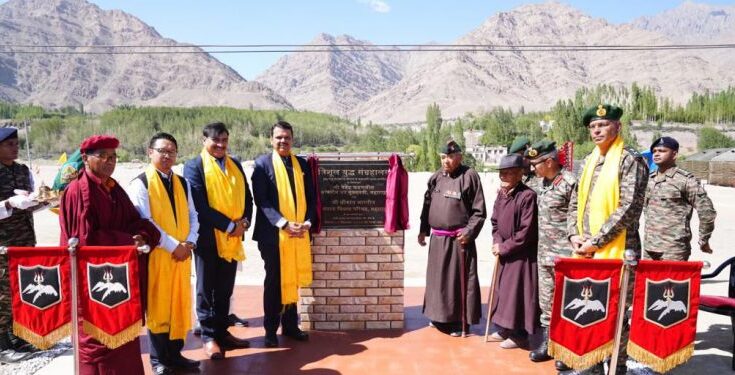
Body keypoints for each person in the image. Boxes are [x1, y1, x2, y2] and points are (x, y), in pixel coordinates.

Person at [59, 135, 161, 375]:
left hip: (119, 280)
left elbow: (133, 220)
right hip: (93, 286)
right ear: (85, 158)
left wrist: (144, 235)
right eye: (103, 156)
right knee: (98, 343)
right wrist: (127, 240)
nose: (110, 161)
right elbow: (83, 241)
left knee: (123, 340)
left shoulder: (112, 188)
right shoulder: (78, 192)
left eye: (113, 156)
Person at [567, 104, 648, 374]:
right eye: (592, 127)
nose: (596, 130)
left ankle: (617, 365)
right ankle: (590, 363)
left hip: (618, 249)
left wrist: (597, 241)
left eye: (602, 125)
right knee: (589, 307)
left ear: (618, 127)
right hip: (586, 250)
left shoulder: (628, 159)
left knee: (617, 312)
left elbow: (629, 207)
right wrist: (574, 234)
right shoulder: (589, 160)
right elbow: (575, 202)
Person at [126, 133, 200, 374]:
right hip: (158, 254)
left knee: (179, 303)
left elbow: (192, 215)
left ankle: (175, 354)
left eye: (171, 151)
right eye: (162, 151)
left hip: (182, 254)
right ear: (150, 152)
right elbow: (145, 222)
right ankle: (158, 360)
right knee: (159, 305)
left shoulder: (182, 183)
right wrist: (173, 246)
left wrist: (189, 242)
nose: (167, 155)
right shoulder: (141, 183)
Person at [184, 122, 252, 359]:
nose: (221, 145)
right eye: (216, 141)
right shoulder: (194, 166)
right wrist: (230, 225)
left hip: (232, 239)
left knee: (224, 288)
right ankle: (209, 336)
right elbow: (200, 207)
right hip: (207, 240)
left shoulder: (236, 165)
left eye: (224, 140)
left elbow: (248, 198)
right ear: (204, 141)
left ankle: (222, 332)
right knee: (206, 289)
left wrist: (244, 223)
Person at [252, 121, 316, 348]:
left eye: (287, 137)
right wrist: (284, 223)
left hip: (299, 233)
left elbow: (310, 195)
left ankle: (290, 326)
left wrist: (308, 221)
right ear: (271, 139)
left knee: (293, 278)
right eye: (278, 137)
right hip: (273, 236)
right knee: (275, 282)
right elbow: (262, 201)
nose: (283, 141)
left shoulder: (301, 164)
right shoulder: (262, 165)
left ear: (292, 139)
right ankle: (270, 329)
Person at [418, 140, 486, 337]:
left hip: (458, 241)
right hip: (438, 241)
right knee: (437, 282)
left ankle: (457, 322)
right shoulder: (435, 178)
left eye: (449, 157)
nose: (445, 161)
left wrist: (469, 232)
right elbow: (427, 204)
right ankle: (438, 317)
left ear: (459, 157)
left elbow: (479, 212)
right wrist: (423, 229)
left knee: (456, 284)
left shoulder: (469, 176)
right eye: (442, 157)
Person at [523, 140, 576, 370]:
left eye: (536, 164)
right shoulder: (539, 183)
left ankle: (566, 348)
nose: (532, 168)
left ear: (549, 161)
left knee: (566, 303)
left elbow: (577, 216)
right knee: (547, 302)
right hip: (543, 253)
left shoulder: (570, 183)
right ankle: (549, 344)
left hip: (566, 256)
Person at [489, 154, 539, 349]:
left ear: (520, 174)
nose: (504, 176)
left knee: (517, 294)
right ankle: (504, 329)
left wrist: (505, 246)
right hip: (503, 252)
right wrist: (496, 241)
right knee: (503, 292)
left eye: (509, 172)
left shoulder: (527, 196)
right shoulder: (502, 194)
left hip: (520, 254)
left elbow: (526, 232)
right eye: (502, 173)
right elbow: (495, 221)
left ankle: (519, 335)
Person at [0, 127, 39, 363]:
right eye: (9, 144)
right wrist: (10, 203)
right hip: (3, 242)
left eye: (16, 143)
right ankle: (1, 346)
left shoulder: (22, 170)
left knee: (19, 289)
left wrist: (38, 202)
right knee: (3, 293)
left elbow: (29, 200)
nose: (15, 148)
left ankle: (16, 337)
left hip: (25, 239)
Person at [643, 136, 716, 261]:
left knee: (671, 280)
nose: (656, 154)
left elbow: (707, 212)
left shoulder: (685, 180)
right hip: (649, 248)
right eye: (654, 151)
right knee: (649, 280)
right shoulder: (650, 179)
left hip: (673, 249)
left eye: (662, 151)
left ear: (674, 154)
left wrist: (704, 239)